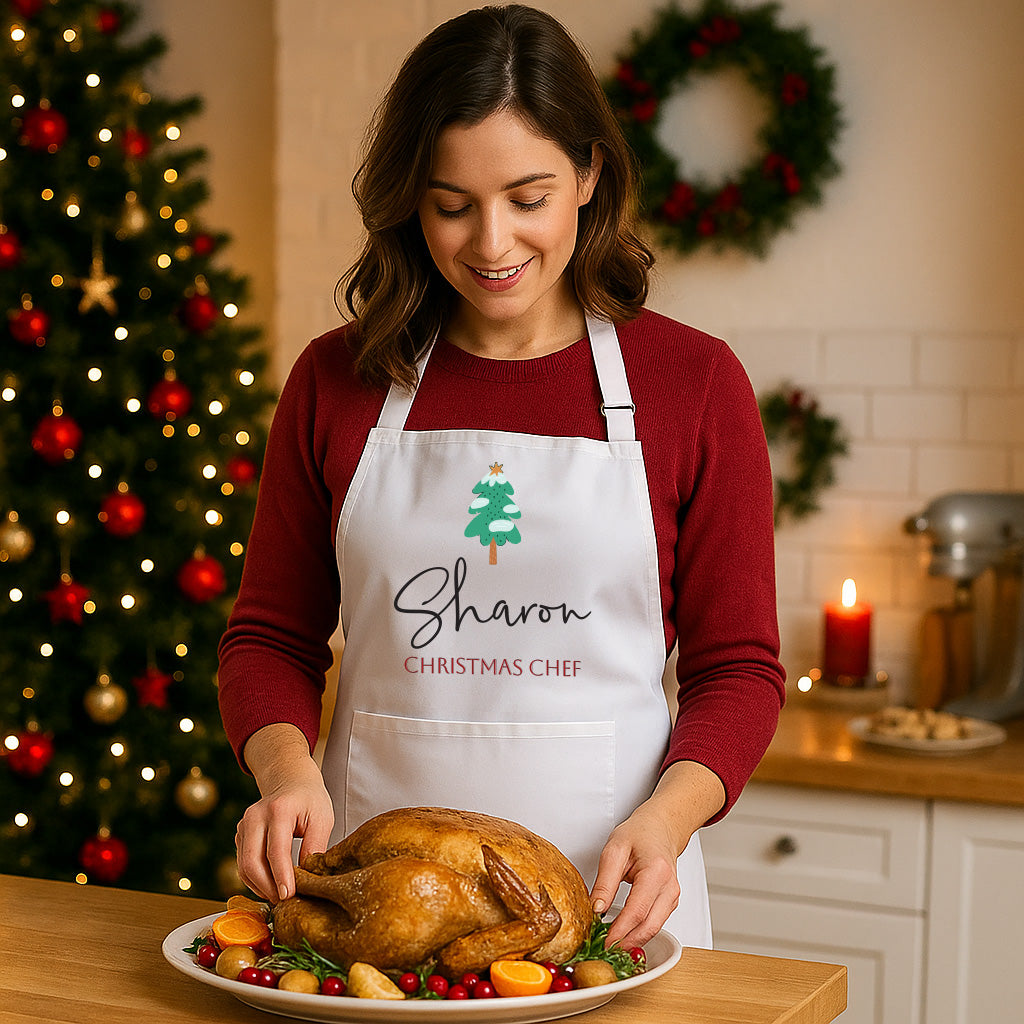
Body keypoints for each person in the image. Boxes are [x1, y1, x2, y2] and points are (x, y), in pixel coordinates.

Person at [218, 3, 785, 951]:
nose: (491, 244)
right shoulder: (335, 379)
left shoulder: (694, 384)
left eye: (528, 199)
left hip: (612, 907)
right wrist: (285, 775)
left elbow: (739, 671)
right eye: (452, 204)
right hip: (374, 915)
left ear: (590, 175)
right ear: (411, 197)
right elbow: (269, 636)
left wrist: (673, 819)